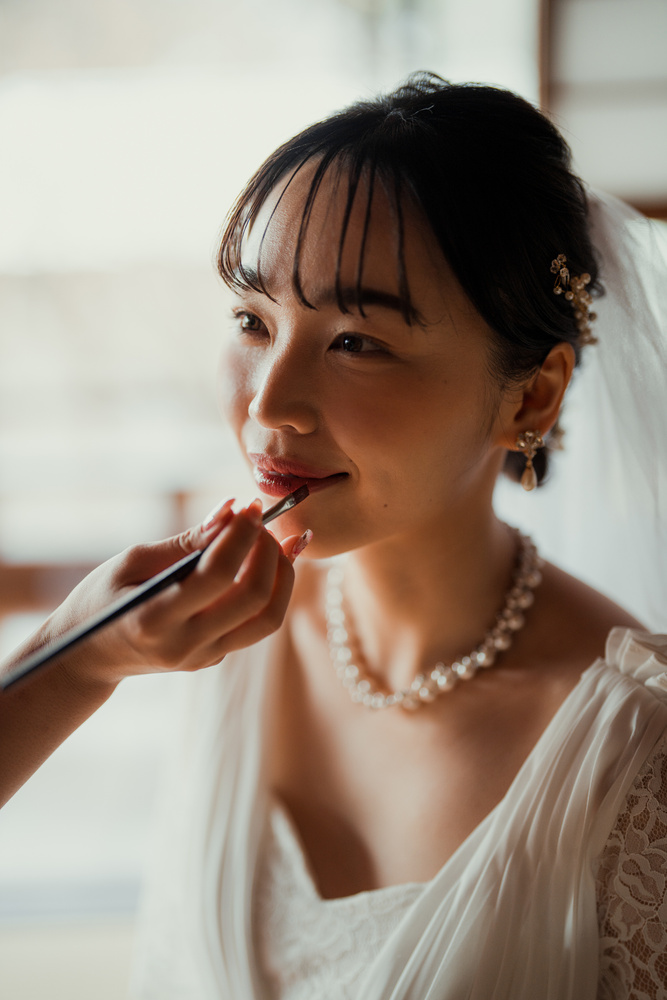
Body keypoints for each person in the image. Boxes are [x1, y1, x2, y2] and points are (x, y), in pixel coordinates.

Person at [2, 73, 667, 998]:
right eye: (251, 320)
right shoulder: (220, 635)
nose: (269, 402)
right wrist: (75, 658)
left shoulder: (635, 755)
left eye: (356, 341)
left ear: (533, 394)